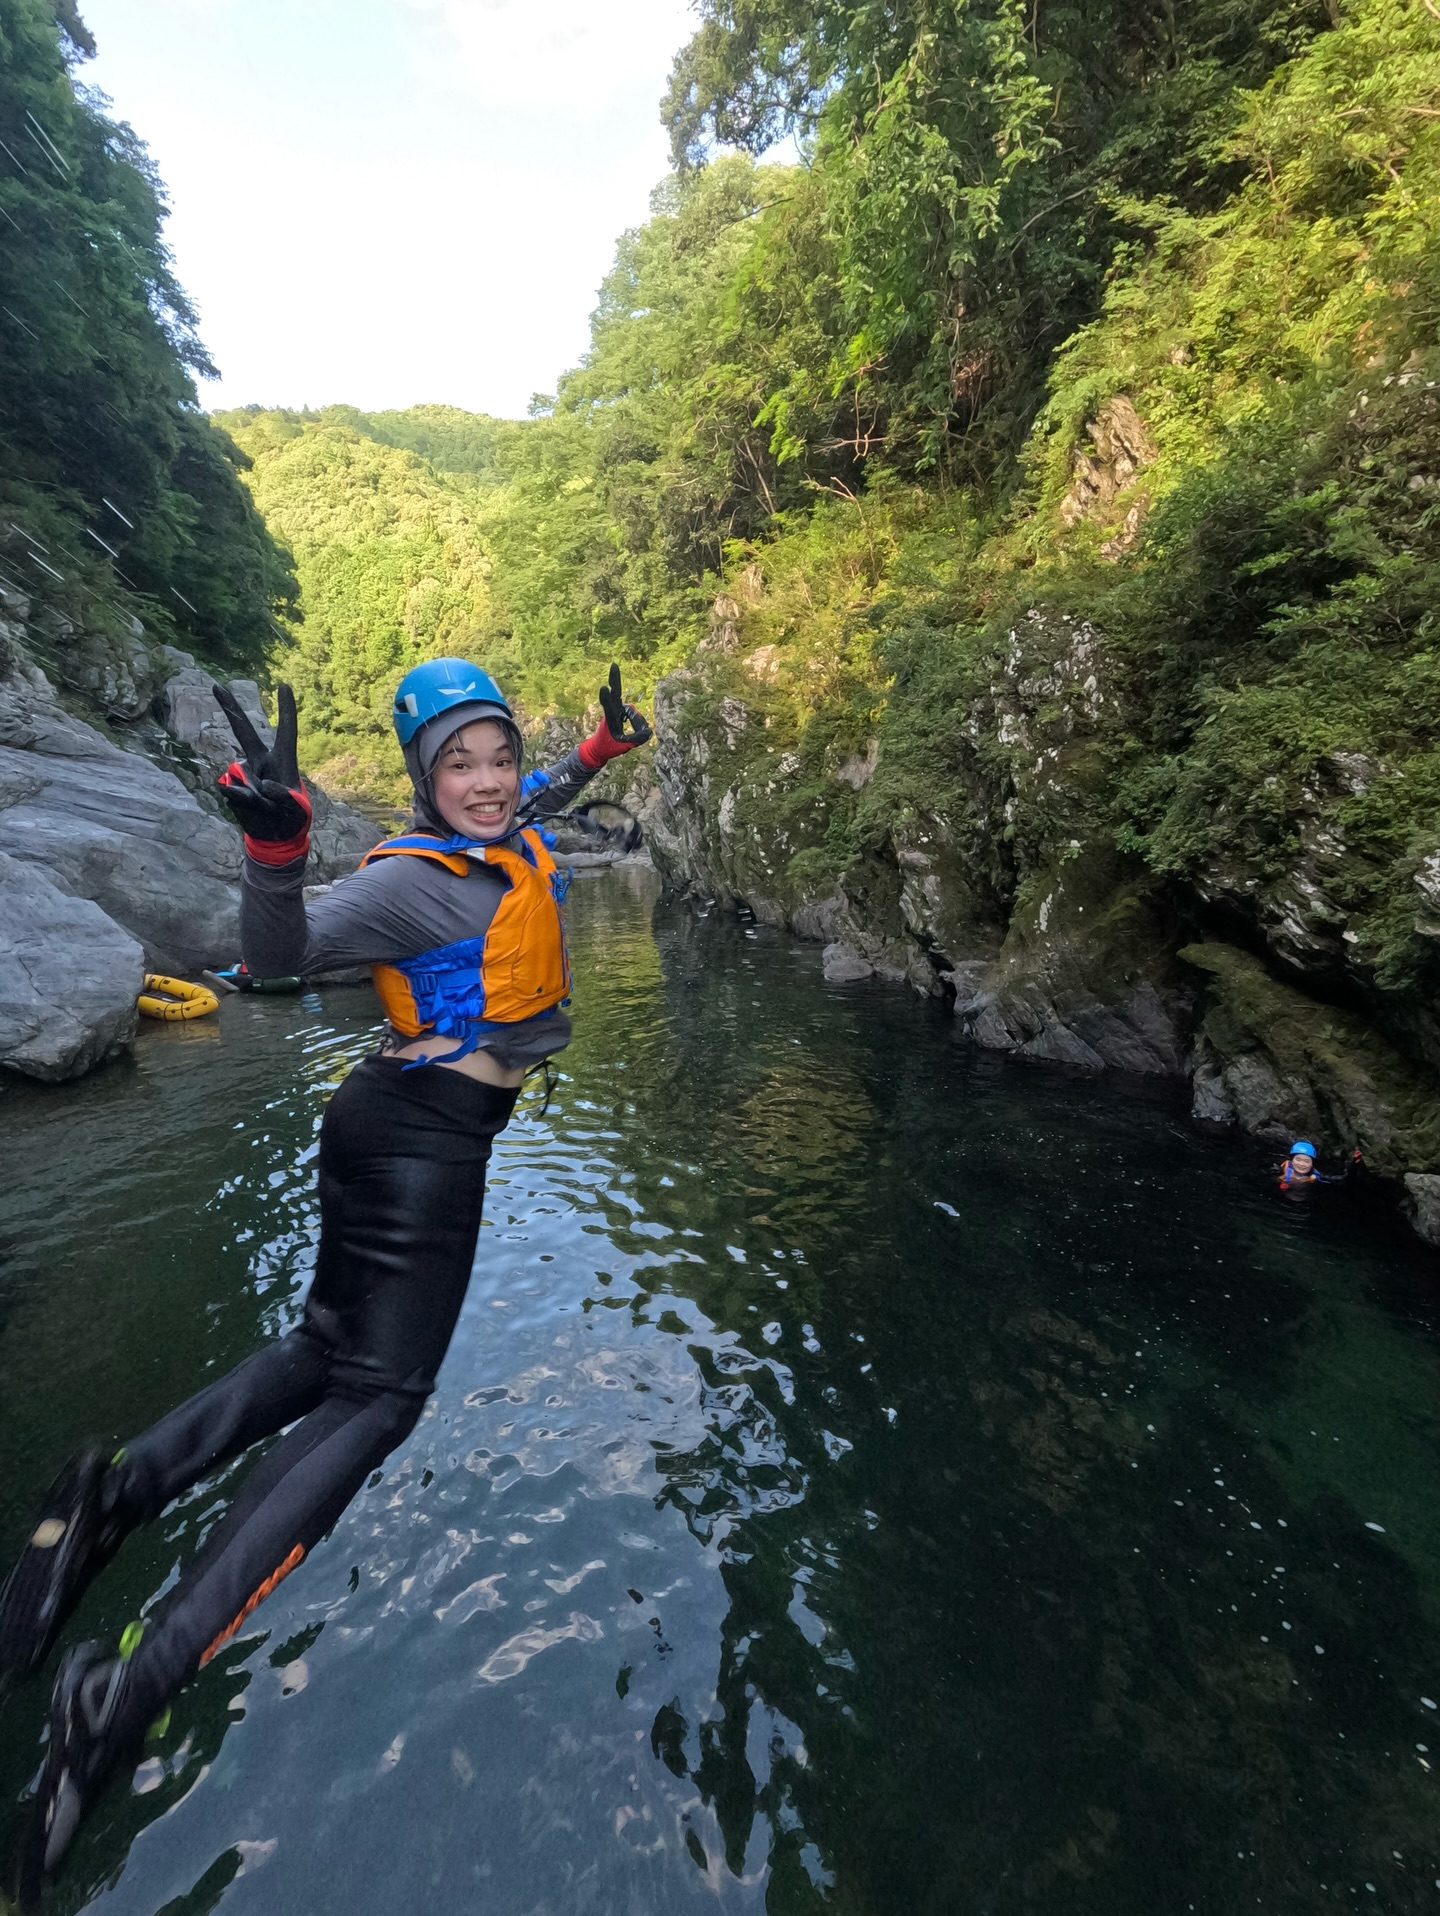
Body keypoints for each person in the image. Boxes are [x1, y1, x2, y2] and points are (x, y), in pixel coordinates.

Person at [0, 659, 652, 1893]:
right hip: (420, 1151)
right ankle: (129, 1686)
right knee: (377, 1397)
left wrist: (595, 761)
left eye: (498, 754)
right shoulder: (404, 880)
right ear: (420, 777)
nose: (488, 779)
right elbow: (278, 963)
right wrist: (277, 855)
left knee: (317, 1349)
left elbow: (530, 818)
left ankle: (112, 1492)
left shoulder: (493, 836)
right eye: (457, 762)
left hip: (387, 1127)